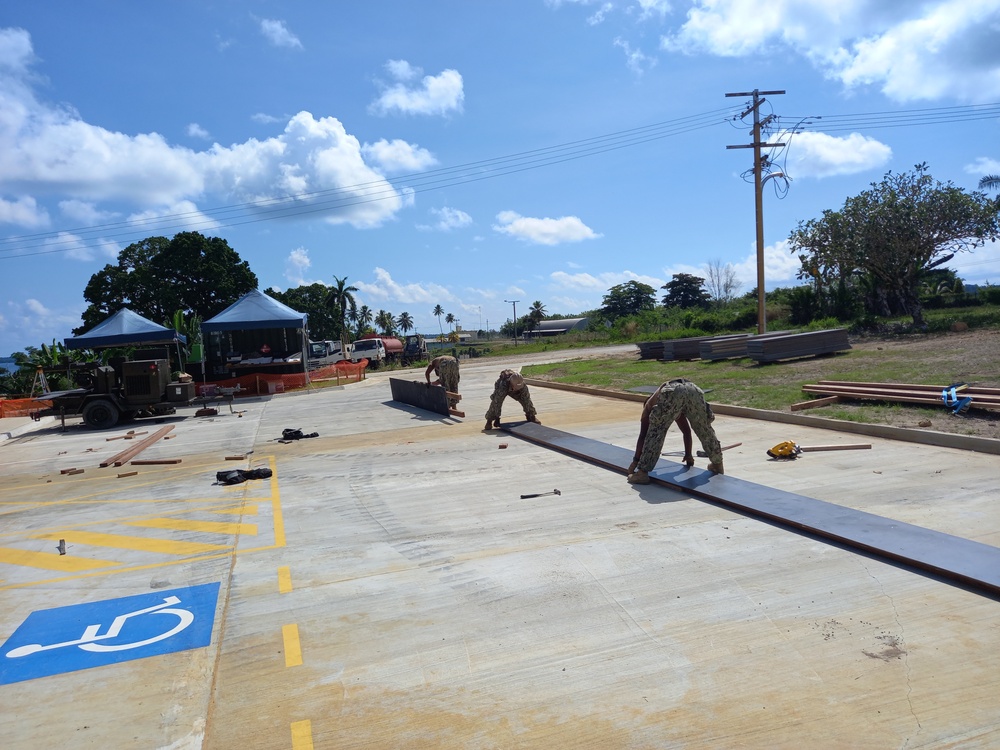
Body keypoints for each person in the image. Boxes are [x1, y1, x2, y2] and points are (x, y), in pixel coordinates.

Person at [627, 378, 724, 484]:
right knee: (704, 428)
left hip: (674, 391)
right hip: (693, 389)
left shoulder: (649, 407)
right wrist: (688, 455)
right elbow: (686, 432)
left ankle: (642, 473)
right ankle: (717, 464)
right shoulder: (676, 406)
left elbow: (643, 436)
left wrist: (635, 461)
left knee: (656, 432)